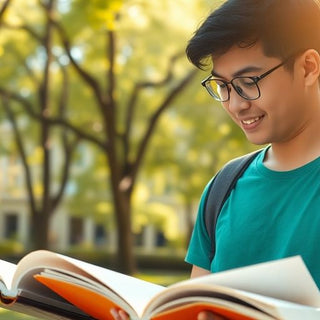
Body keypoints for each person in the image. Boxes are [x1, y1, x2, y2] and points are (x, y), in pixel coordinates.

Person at [111, 0, 320, 319]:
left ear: (308, 68)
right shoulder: (224, 187)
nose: (235, 104)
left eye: (248, 83)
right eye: (222, 86)